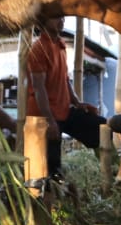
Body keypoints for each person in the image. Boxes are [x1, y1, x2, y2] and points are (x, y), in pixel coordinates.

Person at [24, 14, 107, 178]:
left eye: (62, 17)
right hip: (42, 116)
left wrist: (77, 102)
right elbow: (39, 88)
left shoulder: (60, 46)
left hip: (63, 111)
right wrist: (49, 120)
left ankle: (110, 170)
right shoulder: (38, 49)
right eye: (56, 16)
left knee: (102, 127)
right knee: (49, 171)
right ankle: (48, 198)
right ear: (41, 23)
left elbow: (65, 79)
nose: (61, 19)